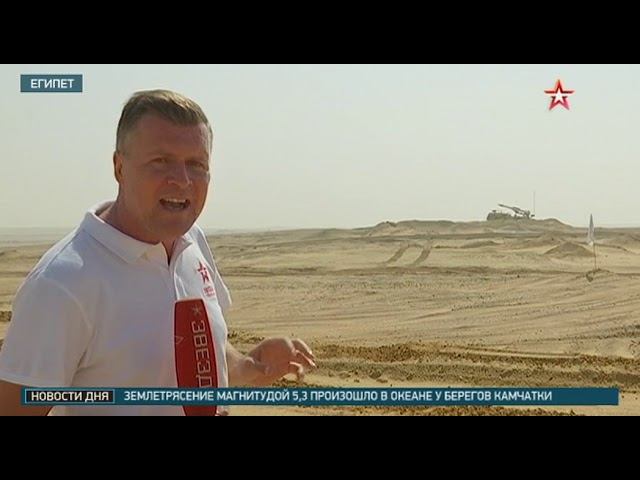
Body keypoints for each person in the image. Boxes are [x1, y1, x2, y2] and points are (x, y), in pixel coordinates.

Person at [0, 89, 316, 415]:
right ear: (119, 167)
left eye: (196, 164)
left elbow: (201, 355)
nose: (182, 180)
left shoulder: (192, 243)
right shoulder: (62, 285)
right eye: (161, 161)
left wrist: (249, 365)